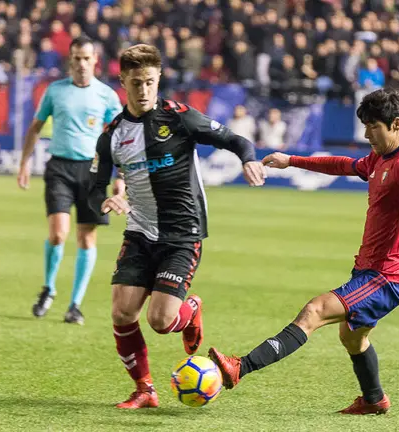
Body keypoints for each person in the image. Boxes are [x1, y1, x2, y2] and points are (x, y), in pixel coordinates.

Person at [207, 88, 399, 415]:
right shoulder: (380, 157)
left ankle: (240, 366)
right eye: (365, 126)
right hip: (367, 270)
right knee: (353, 339)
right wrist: (292, 160)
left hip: (384, 278)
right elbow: (342, 164)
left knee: (314, 310)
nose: (367, 134)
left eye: (373, 127)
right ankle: (374, 400)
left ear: (396, 124)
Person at [87, 44, 266, 409]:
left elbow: (235, 140)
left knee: (160, 320)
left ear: (159, 79)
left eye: (150, 82)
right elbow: (93, 187)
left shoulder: (179, 118)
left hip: (182, 234)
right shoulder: (113, 134)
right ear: (123, 81)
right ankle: (144, 390)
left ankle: (190, 312)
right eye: (136, 82)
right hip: (139, 232)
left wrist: (248, 160)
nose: (144, 90)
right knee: (122, 312)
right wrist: (106, 200)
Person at [18, 35, 123, 324]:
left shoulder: (106, 95)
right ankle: (49, 289)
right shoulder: (55, 91)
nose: (82, 63)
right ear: (70, 60)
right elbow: (35, 127)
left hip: (93, 170)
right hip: (60, 168)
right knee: (58, 234)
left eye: (86, 58)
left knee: (86, 237)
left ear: (95, 60)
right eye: (77, 58)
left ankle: (75, 304)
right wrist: (24, 162)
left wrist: (122, 176)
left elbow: (121, 138)